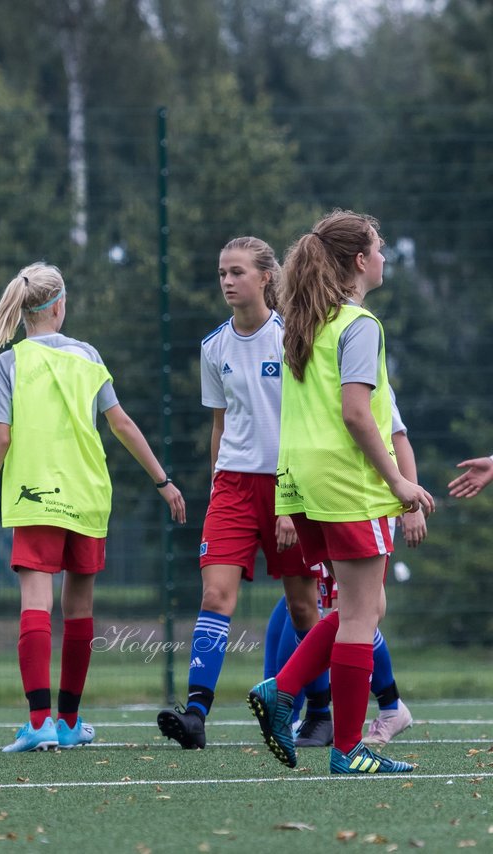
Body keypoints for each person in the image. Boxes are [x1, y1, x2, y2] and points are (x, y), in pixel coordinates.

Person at [0, 262, 186, 753]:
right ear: (60, 306)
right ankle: (68, 723)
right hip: (89, 497)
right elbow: (123, 424)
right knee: (80, 609)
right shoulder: (88, 356)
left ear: (23, 311)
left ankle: (41, 722)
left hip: (34, 497)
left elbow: (0, 438)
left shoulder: (8, 363)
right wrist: (163, 482)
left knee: (35, 606)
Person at [247, 210, 434, 776]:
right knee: (359, 616)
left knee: (362, 605)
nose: (383, 257)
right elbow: (357, 414)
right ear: (359, 261)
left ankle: (282, 688)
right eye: (377, 248)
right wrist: (399, 481)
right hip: (348, 482)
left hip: (306, 483)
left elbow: (298, 418)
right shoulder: (359, 325)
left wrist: (284, 498)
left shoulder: (305, 325)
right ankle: (347, 748)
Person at [156, 237, 322, 750]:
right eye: (221, 273)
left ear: (266, 277)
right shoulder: (213, 347)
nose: (227, 281)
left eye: (237, 272)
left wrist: (292, 496)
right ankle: (197, 716)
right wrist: (215, 488)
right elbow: (219, 425)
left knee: (301, 607)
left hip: (287, 486)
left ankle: (322, 710)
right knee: (214, 596)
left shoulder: (293, 337)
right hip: (231, 487)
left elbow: (306, 421)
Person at [266, 391, 424, 746]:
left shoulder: (351, 349)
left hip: (361, 500)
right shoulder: (316, 351)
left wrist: (409, 500)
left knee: (357, 612)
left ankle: (295, 698)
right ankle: (363, 716)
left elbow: (395, 436)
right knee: (355, 612)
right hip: (330, 498)